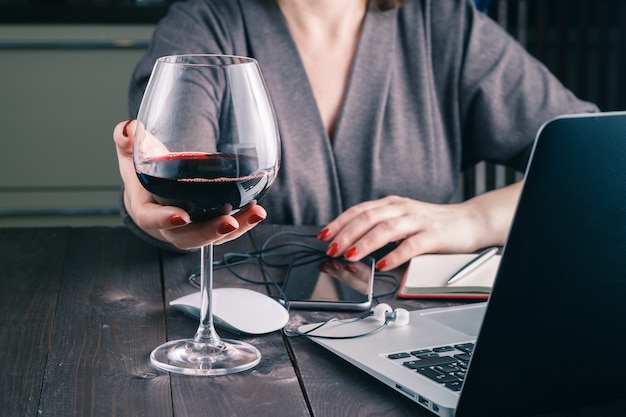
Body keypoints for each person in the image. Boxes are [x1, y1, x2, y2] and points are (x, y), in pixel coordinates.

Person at [113, 0, 597, 272]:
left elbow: (599, 162)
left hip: (408, 336)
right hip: (239, 343)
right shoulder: (203, 24)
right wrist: (158, 212)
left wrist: (471, 221)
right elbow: (169, 173)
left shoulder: (448, 27)